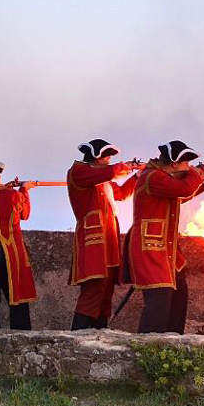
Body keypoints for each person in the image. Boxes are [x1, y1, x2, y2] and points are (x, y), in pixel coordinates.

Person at [124, 140, 204, 334]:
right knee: (158, 302)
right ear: (174, 164)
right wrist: (195, 176)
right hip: (150, 247)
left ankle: (172, 347)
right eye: (185, 164)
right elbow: (183, 189)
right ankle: (148, 349)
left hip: (165, 249)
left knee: (178, 297)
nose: (188, 167)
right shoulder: (152, 176)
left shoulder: (158, 177)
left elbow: (178, 195)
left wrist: (200, 179)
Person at [66, 139, 138, 330]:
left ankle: (101, 334)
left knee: (105, 294)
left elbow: (121, 193)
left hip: (108, 243)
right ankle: (75, 338)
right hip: (93, 244)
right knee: (92, 292)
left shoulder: (102, 180)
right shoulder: (78, 171)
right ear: (97, 157)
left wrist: (137, 176)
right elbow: (111, 171)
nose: (109, 161)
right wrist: (126, 167)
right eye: (106, 157)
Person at [0, 162, 37, 330]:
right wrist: (24, 189)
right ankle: (22, 334)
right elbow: (24, 213)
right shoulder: (13, 195)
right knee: (17, 297)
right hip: (12, 253)